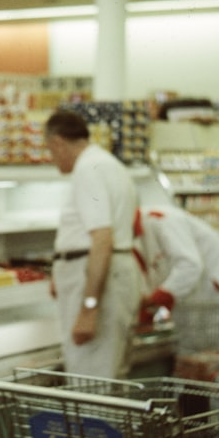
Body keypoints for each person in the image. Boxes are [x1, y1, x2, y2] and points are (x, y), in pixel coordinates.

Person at [44, 110, 145, 379]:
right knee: (109, 376)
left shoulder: (88, 169)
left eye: (50, 151)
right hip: (112, 275)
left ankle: (92, 424)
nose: (52, 159)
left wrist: (89, 307)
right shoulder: (109, 164)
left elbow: (101, 239)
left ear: (58, 142)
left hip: (97, 281)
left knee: (91, 381)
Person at [134, 204, 219, 321]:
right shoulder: (132, 242)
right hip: (197, 311)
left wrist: (155, 301)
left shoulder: (162, 219)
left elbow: (190, 266)